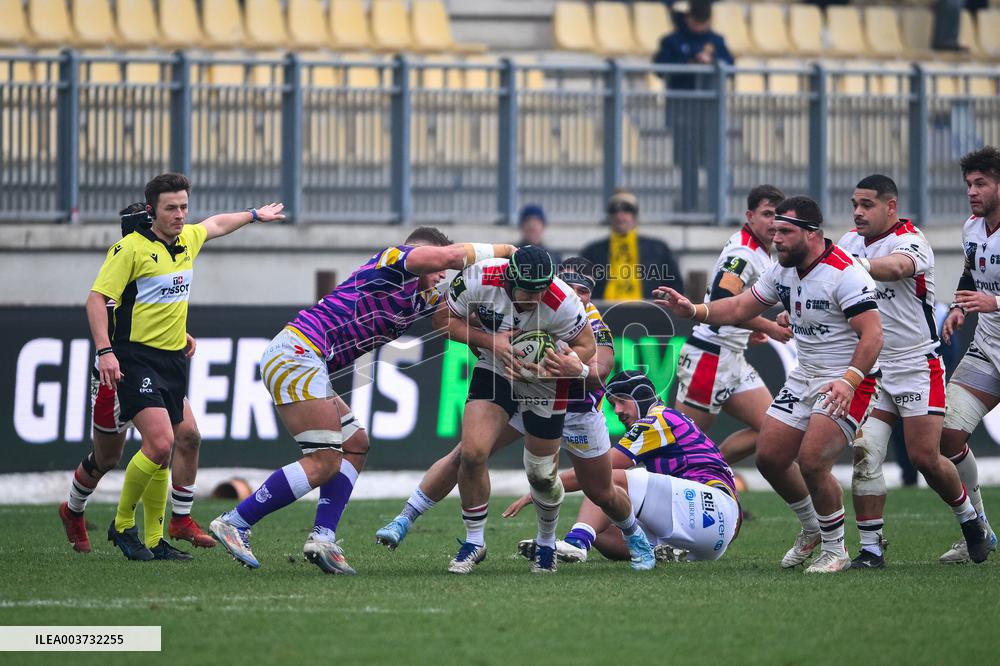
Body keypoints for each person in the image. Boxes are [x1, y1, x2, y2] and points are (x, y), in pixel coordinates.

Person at [210, 230, 519, 574]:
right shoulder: (394, 259)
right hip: (298, 353)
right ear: (422, 252)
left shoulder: (422, 296)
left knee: (355, 443)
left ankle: (323, 537)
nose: (443, 275)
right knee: (324, 461)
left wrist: (501, 334)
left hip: (308, 361)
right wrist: (506, 251)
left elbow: (452, 321)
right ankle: (236, 521)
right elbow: (450, 258)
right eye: (437, 264)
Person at [374, 257, 656, 571]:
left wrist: (576, 367)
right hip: (517, 391)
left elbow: (600, 369)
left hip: (574, 406)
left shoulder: (579, 313)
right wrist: (489, 345)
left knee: (599, 490)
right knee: (468, 454)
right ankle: (406, 518)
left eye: (584, 289)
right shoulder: (501, 292)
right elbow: (460, 323)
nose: (576, 292)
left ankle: (634, 535)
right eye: (570, 284)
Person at [654, 195, 884, 573]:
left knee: (811, 461)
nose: (776, 238)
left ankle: (835, 547)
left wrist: (849, 380)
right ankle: (812, 527)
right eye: (773, 229)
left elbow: (873, 336)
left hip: (847, 380)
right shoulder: (782, 269)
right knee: (770, 456)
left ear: (812, 235)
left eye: (785, 231)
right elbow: (741, 306)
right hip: (804, 375)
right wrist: (695, 310)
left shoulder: (846, 272)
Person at [90, 173, 285, 562]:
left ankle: (154, 536)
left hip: (172, 360)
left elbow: (215, 225)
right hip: (135, 358)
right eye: (171, 208)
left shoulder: (186, 240)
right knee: (160, 443)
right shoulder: (129, 249)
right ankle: (123, 524)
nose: (180, 215)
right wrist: (105, 351)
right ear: (152, 211)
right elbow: (97, 300)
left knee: (185, 439)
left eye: (183, 207)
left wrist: (253, 215)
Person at [839, 174, 991, 568]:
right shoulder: (848, 243)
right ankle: (871, 549)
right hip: (873, 368)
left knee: (926, 456)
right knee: (865, 450)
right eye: (854, 204)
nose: (858, 212)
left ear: (891, 207)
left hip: (916, 365)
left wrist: (857, 265)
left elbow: (897, 268)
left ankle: (971, 523)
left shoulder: (913, 240)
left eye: (867, 204)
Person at [437, 246, 615, 574]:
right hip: (496, 365)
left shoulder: (562, 300)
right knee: (472, 453)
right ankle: (474, 542)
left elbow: (588, 345)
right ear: (508, 280)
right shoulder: (479, 277)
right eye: (528, 291)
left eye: (541, 290)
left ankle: (546, 542)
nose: (535, 298)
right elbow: (442, 320)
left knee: (541, 474)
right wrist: (492, 342)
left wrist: (567, 364)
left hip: (544, 379)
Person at [59, 203, 212, 554]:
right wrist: (105, 352)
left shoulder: (157, 257)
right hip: (120, 373)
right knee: (106, 459)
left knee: (179, 438)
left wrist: (179, 333)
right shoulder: (125, 258)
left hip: (156, 368)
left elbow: (156, 307)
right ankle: (73, 509)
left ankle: (162, 531)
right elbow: (104, 308)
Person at [503, 371, 741, 564]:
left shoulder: (658, 419)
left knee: (605, 480)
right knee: (605, 524)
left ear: (641, 396)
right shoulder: (670, 420)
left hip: (709, 508)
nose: (616, 411)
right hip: (714, 537)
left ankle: (576, 543)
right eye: (612, 403)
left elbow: (600, 469)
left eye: (621, 401)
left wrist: (540, 489)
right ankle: (658, 551)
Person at [674, 185, 791, 463]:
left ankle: (713, 471)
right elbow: (723, 302)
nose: (773, 222)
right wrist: (767, 326)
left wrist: (750, 328)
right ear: (750, 215)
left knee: (771, 428)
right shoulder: (743, 253)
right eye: (767, 214)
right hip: (710, 357)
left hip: (730, 355)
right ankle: (628, 494)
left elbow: (735, 307)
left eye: (778, 216)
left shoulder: (761, 249)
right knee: (681, 445)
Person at [938, 146, 1000, 563]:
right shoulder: (972, 228)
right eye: (968, 185)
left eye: (981, 184)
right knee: (946, 435)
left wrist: (995, 303)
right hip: (988, 348)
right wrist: (960, 306)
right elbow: (970, 270)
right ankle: (979, 529)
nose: (972, 192)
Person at [653, 0, 733, 212]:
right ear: (687, 18)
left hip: (709, 114)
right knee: (687, 162)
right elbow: (660, 67)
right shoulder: (672, 41)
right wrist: (689, 63)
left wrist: (713, 63)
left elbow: (730, 66)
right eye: (696, 20)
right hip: (683, 111)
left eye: (703, 21)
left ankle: (714, 206)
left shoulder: (716, 41)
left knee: (713, 159)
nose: (699, 25)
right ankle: (689, 205)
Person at [580, 189, 684, 300]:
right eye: (614, 210)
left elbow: (674, 287)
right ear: (609, 217)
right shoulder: (592, 252)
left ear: (635, 216)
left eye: (627, 210)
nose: (620, 216)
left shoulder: (658, 250)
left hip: (648, 312)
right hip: (604, 313)